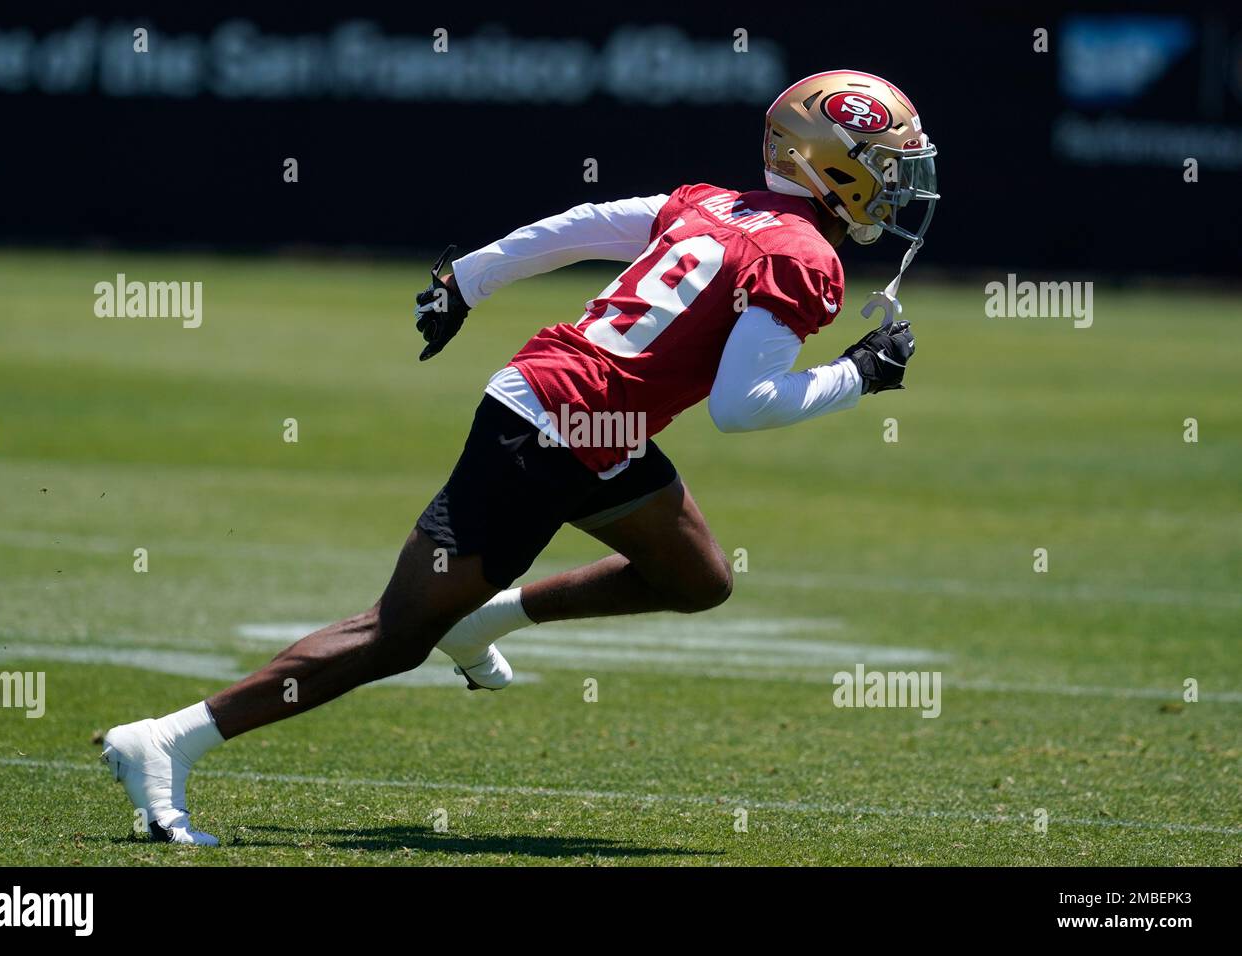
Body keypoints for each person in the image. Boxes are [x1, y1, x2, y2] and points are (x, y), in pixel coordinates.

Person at [101, 69, 938, 845]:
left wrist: (467, 279)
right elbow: (739, 407)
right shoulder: (802, 256)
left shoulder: (716, 206)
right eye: (887, 166)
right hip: (551, 432)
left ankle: (485, 616)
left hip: (598, 427)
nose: (901, 185)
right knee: (394, 636)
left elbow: (579, 228)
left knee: (697, 579)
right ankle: (170, 740)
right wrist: (859, 376)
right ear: (833, 166)